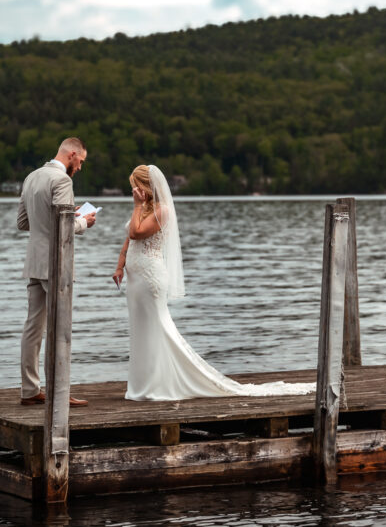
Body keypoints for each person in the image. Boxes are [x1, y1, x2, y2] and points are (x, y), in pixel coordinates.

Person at [111, 165, 314, 401]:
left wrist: (136, 206)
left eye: (135, 185)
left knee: (158, 326)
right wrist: (119, 265)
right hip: (135, 280)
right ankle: (143, 383)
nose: (133, 190)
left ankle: (161, 382)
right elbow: (129, 240)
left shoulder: (161, 210)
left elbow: (137, 233)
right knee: (140, 328)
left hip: (150, 278)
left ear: (146, 186)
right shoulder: (143, 208)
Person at [16, 137, 96, 407]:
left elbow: (23, 223)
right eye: (81, 161)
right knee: (60, 328)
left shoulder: (31, 177)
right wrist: (83, 221)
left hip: (34, 263)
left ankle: (30, 390)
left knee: (33, 328)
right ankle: (59, 392)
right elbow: (62, 229)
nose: (80, 167)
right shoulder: (63, 181)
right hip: (55, 264)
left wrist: (63, 217)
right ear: (72, 154)